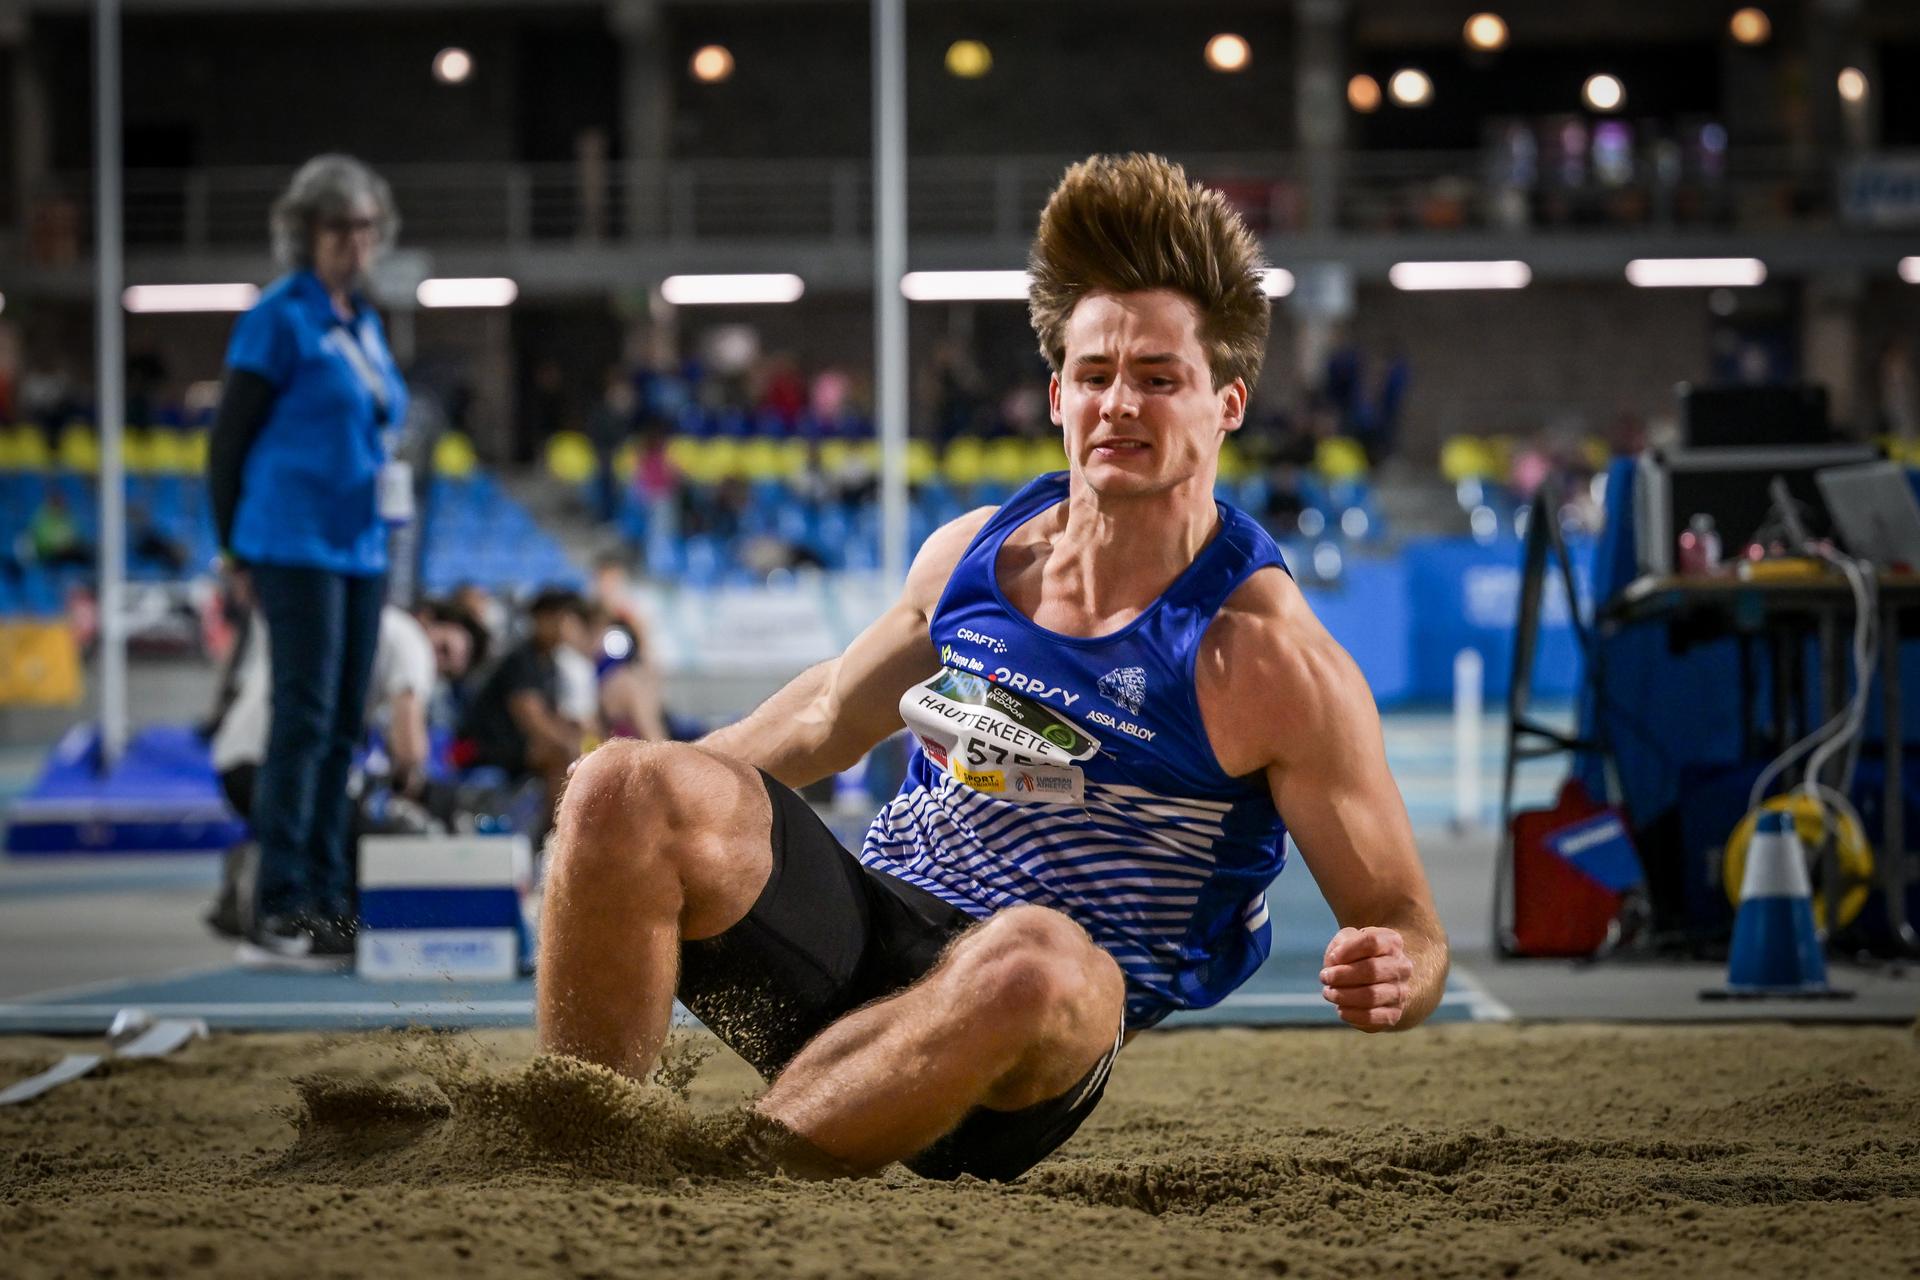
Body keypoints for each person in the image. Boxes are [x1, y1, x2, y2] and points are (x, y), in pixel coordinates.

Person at [537, 154, 1447, 1182]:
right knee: (619, 778)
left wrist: (1395, 969)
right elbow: (829, 712)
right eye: (1095, 375)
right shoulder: (973, 554)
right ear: (1056, 391)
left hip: (1018, 1047)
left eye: (1159, 378)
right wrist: (622, 829)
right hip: (860, 937)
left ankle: (742, 1168)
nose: (1119, 405)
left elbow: (1405, 919)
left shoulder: (1266, 657)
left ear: (1226, 403)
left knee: (1035, 953)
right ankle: (575, 1154)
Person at [205, 154, 408, 966]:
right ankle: (277, 903)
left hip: (361, 547)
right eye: (336, 229)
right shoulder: (277, 318)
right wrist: (231, 547)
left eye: (363, 228)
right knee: (304, 720)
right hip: (290, 544)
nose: (351, 243)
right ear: (304, 234)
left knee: (342, 730)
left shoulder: (362, 321)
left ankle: (328, 899)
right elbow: (229, 441)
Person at [205, 598, 480, 946]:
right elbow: (410, 748)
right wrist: (415, 787)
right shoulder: (410, 638)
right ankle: (294, 905)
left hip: (237, 758)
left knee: (339, 814)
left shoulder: (355, 622)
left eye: (448, 667)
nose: (439, 663)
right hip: (275, 764)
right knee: (365, 832)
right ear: (428, 620)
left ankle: (261, 868)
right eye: (445, 649)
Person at [452, 588, 591, 809]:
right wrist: (572, 745)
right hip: (487, 746)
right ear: (541, 619)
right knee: (562, 754)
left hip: (515, 747)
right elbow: (533, 720)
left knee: (578, 751)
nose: (565, 624)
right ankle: (556, 831)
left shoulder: (550, 664)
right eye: (560, 617)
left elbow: (555, 717)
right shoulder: (521, 661)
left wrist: (583, 742)